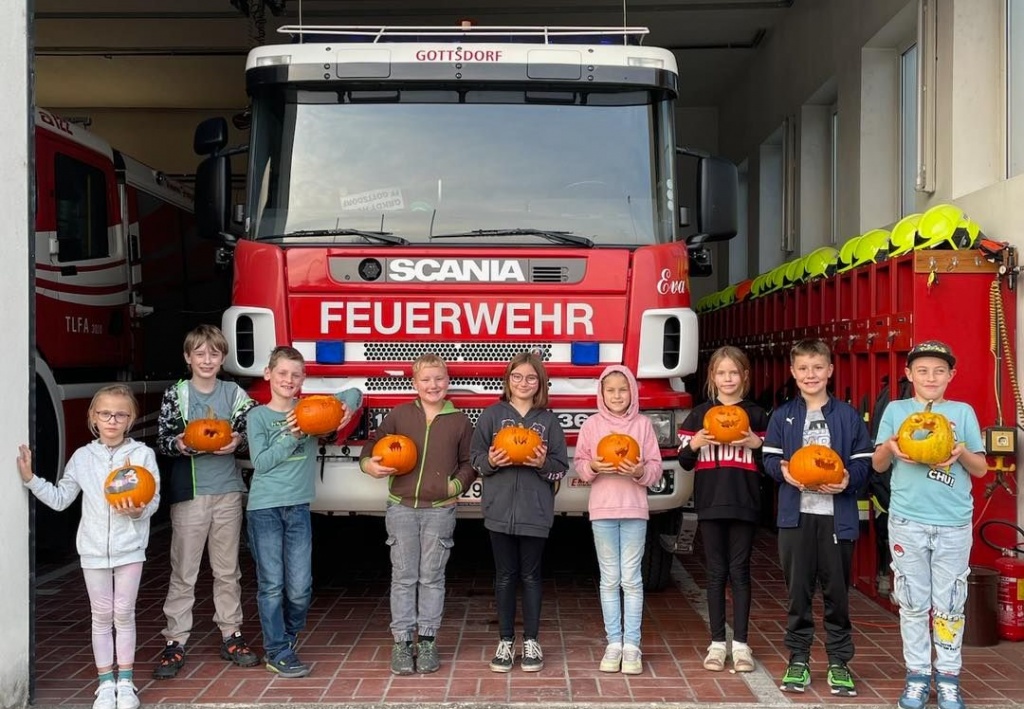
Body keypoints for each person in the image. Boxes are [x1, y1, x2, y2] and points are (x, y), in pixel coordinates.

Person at [17, 385, 160, 709]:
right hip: (93, 550)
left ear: (131, 419)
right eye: (105, 413)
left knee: (123, 614)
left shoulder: (142, 455)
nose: (112, 420)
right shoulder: (82, 457)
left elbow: (153, 501)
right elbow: (60, 498)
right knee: (101, 615)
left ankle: (126, 683)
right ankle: (105, 684)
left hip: (129, 548)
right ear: (93, 418)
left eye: (120, 414)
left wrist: (137, 511)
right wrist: (30, 479)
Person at [871, 341, 987, 709]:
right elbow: (877, 465)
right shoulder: (896, 410)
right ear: (909, 375)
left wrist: (960, 452)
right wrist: (890, 446)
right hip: (907, 519)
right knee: (913, 603)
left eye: (939, 370)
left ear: (951, 375)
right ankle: (918, 675)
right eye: (923, 370)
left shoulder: (962, 412)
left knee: (950, 603)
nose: (931, 377)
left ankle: (949, 677)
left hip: (953, 521)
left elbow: (981, 469)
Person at [762, 338, 873, 697]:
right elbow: (768, 459)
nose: (811, 374)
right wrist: (782, 471)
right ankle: (798, 657)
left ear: (829, 370)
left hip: (836, 519)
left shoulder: (847, 415)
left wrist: (846, 481)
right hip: (796, 518)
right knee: (798, 592)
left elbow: (863, 463)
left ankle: (840, 661)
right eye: (803, 368)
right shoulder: (783, 416)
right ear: (793, 373)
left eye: (817, 367)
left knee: (836, 592)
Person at [246, 346, 363, 678]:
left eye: (296, 375)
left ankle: (287, 636)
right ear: (268, 374)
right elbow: (261, 462)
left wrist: (343, 408)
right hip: (264, 508)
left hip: (297, 508)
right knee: (271, 585)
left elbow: (355, 392)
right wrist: (294, 435)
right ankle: (277, 650)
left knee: (300, 587)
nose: (288, 380)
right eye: (282, 373)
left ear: (303, 379)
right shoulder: (259, 416)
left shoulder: (311, 409)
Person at [153, 324, 260, 680]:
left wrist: (240, 440)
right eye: (199, 353)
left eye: (214, 353)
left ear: (223, 357)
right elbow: (163, 440)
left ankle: (232, 634)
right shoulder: (176, 394)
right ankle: (175, 639)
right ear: (188, 358)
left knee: (228, 570)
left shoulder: (234, 393)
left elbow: (253, 428)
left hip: (227, 491)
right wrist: (180, 445)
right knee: (184, 571)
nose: (207, 359)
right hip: (191, 494)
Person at [360, 354, 477, 675]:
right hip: (401, 508)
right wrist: (368, 464)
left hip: (439, 512)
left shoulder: (460, 421)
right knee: (403, 576)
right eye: (426, 380)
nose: (433, 385)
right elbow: (372, 446)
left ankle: (426, 640)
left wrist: (455, 486)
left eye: (439, 379)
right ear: (414, 383)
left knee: (431, 577)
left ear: (448, 382)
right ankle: (401, 642)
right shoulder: (399, 416)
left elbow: (470, 463)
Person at [471, 352, 568, 673]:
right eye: (517, 377)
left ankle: (531, 639)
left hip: (535, 512)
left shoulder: (549, 421)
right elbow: (474, 458)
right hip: (499, 510)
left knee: (531, 576)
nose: (523, 383)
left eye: (530, 378)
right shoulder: (492, 416)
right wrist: (491, 462)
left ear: (540, 383)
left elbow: (560, 469)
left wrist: (543, 465)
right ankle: (505, 639)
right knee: (504, 576)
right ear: (507, 380)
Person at [677, 345, 768, 674]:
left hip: (744, 501)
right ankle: (717, 643)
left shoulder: (757, 414)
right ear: (712, 377)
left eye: (734, 372)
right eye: (721, 373)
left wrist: (757, 445)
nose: (728, 378)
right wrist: (697, 444)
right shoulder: (700, 413)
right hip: (711, 502)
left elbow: (772, 463)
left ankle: (741, 645)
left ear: (744, 376)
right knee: (715, 573)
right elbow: (685, 461)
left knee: (740, 572)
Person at [573, 365, 662, 675]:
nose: (616, 395)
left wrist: (639, 472)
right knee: (609, 580)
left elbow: (655, 468)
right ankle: (614, 642)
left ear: (632, 392)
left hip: (635, 510)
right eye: (610, 390)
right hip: (603, 512)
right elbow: (581, 466)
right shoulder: (592, 425)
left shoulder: (643, 425)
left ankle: (632, 646)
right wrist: (594, 467)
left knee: (632, 579)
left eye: (622, 389)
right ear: (601, 393)